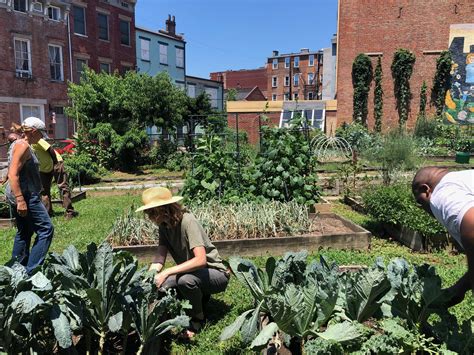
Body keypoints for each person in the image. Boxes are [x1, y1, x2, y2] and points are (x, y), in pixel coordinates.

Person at [136, 187, 229, 338]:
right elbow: (160, 257)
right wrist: (150, 276)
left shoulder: (188, 222)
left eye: (151, 213)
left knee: (185, 281)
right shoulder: (164, 226)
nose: (149, 217)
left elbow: (201, 260)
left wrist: (166, 272)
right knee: (163, 285)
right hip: (194, 272)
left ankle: (198, 319)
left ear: (162, 210)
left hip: (215, 273)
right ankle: (200, 297)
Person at [412, 167, 474, 306]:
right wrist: (459, 288)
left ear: (425, 190)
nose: (424, 210)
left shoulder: (443, 193)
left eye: (420, 202)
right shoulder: (464, 178)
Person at [5, 117, 54, 274]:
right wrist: (20, 200)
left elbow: (13, 169)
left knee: (25, 231)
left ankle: (15, 271)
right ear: (33, 131)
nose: (42, 137)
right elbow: (14, 173)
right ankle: (31, 271)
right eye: (41, 134)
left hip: (20, 193)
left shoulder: (17, 143)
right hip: (25, 195)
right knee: (46, 229)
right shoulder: (23, 146)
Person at [31, 138, 77, 219]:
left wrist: (56, 163)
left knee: (63, 186)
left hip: (56, 162)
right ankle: (48, 213)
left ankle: (69, 212)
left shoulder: (37, 140)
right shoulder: (26, 144)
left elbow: (50, 149)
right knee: (44, 190)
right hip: (43, 168)